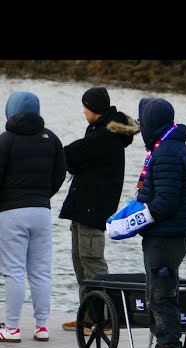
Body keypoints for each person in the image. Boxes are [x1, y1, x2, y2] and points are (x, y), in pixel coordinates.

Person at [131, 97, 186, 348]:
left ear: (151, 122)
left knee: (162, 296)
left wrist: (136, 218)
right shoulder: (167, 147)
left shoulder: (168, 152)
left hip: (167, 234)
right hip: (165, 233)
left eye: (142, 120)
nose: (139, 125)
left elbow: (166, 202)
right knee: (157, 294)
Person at [59, 86, 140, 333]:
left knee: (93, 264)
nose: (83, 110)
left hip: (93, 210)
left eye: (85, 106)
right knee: (80, 262)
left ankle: (104, 319)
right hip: (84, 207)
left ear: (94, 109)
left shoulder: (104, 137)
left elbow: (69, 156)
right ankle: (88, 314)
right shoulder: (100, 131)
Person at [0, 91, 66, 342]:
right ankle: (41, 326)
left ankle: (13, 328)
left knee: (14, 271)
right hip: (41, 211)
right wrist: (43, 195)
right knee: (40, 271)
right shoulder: (51, 139)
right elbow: (60, 173)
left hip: (11, 212)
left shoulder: (6, 140)